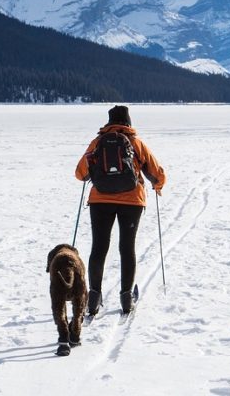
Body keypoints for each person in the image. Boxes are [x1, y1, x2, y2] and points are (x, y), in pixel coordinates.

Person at [75, 105, 165, 315]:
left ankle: (94, 298)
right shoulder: (135, 142)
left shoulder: (98, 142)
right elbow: (156, 172)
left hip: (100, 201)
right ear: (128, 122)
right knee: (127, 247)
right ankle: (126, 298)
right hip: (132, 201)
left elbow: (80, 173)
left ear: (109, 122)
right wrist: (157, 185)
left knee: (99, 247)